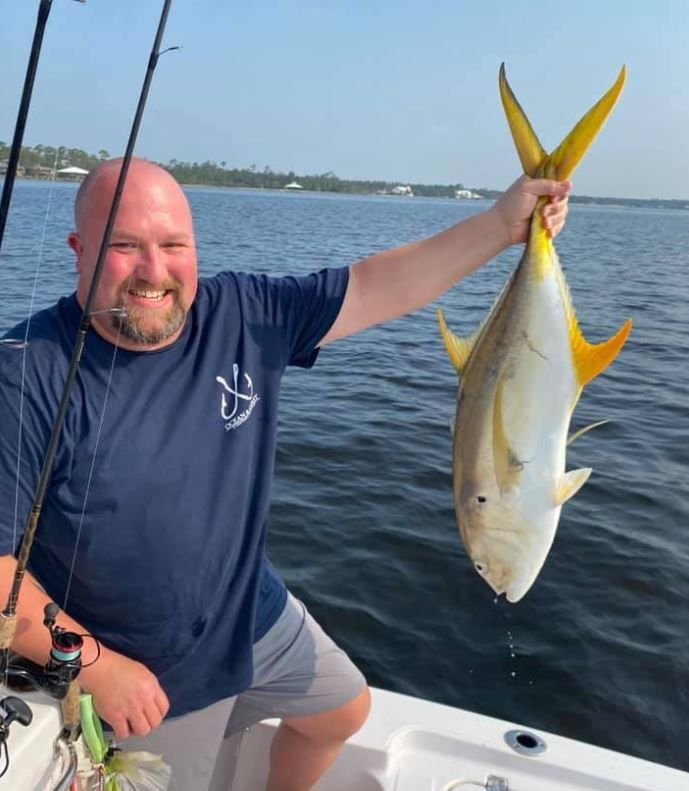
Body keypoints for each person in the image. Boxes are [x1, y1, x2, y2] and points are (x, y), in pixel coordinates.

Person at [0, 158, 570, 790]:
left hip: (251, 611)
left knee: (342, 712)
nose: (153, 272)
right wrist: (97, 670)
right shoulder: (27, 376)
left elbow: (378, 286)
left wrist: (500, 226)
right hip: (142, 664)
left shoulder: (242, 314)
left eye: (173, 245)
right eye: (123, 246)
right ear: (78, 250)